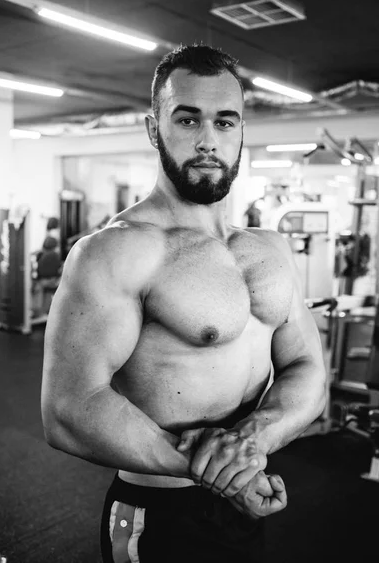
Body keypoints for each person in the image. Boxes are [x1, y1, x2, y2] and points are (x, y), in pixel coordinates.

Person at [41, 44, 326, 563]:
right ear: (155, 129)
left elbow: (307, 368)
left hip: (244, 501)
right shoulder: (116, 251)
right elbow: (67, 409)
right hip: (157, 513)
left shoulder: (271, 249)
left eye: (224, 122)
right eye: (188, 119)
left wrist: (252, 442)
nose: (207, 140)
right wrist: (213, 469)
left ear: (241, 131)